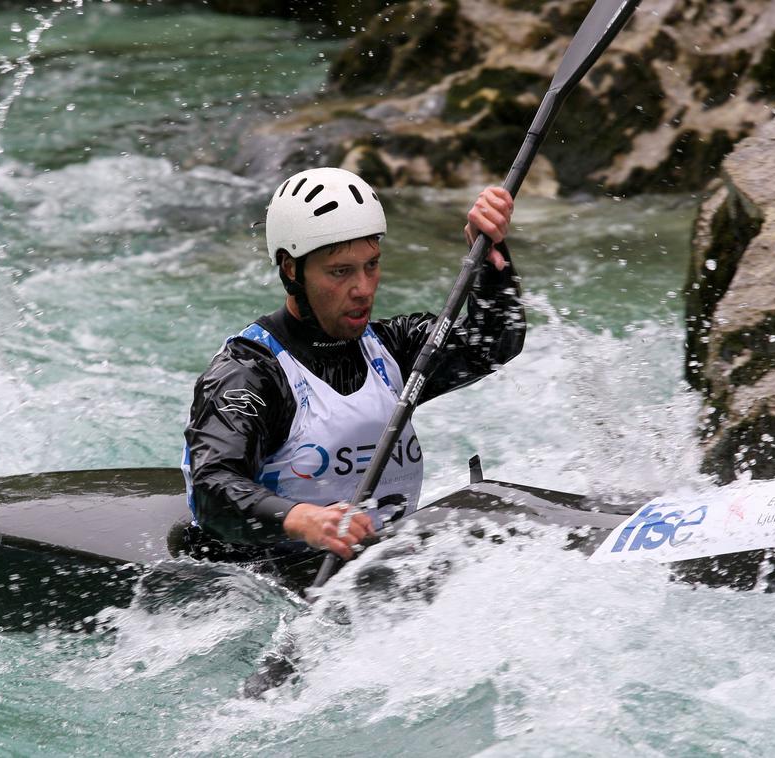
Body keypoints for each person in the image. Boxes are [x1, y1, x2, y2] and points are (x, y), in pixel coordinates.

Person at [182, 167, 524, 565]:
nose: (363, 288)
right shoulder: (251, 372)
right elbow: (212, 486)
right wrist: (300, 518)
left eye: (371, 265)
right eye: (341, 271)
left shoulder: (395, 348)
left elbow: (495, 342)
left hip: (379, 572)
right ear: (291, 270)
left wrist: (492, 258)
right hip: (275, 579)